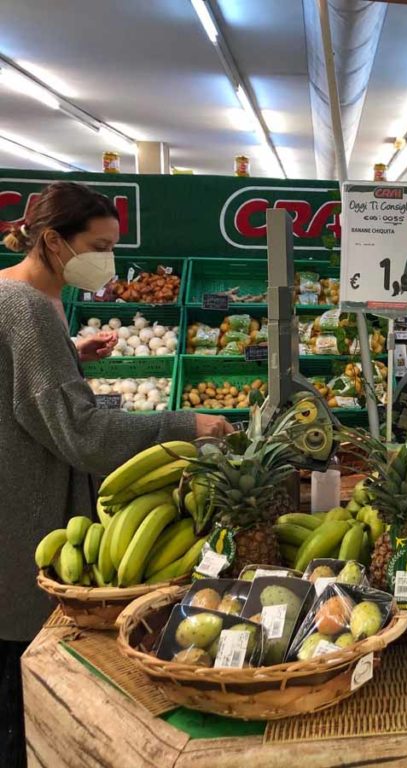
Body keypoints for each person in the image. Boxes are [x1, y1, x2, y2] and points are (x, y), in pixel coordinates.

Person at [0, 182, 231, 767]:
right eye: (98, 245)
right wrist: (185, 425)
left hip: (19, 491)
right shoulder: (25, 308)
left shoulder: (19, 295)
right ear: (52, 241)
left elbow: (31, 403)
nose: (108, 260)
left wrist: (73, 360)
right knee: (17, 689)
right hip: (24, 514)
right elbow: (78, 434)